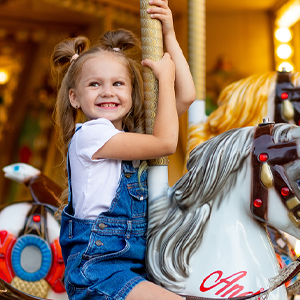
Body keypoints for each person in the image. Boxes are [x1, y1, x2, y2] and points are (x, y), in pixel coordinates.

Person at [51, 1, 195, 300]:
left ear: (131, 93)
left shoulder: (128, 137)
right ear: (75, 98)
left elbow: (186, 95)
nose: (107, 91)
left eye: (118, 83)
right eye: (94, 84)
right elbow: (166, 143)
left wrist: (169, 33)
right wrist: (164, 80)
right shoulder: (90, 136)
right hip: (98, 270)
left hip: (135, 266)